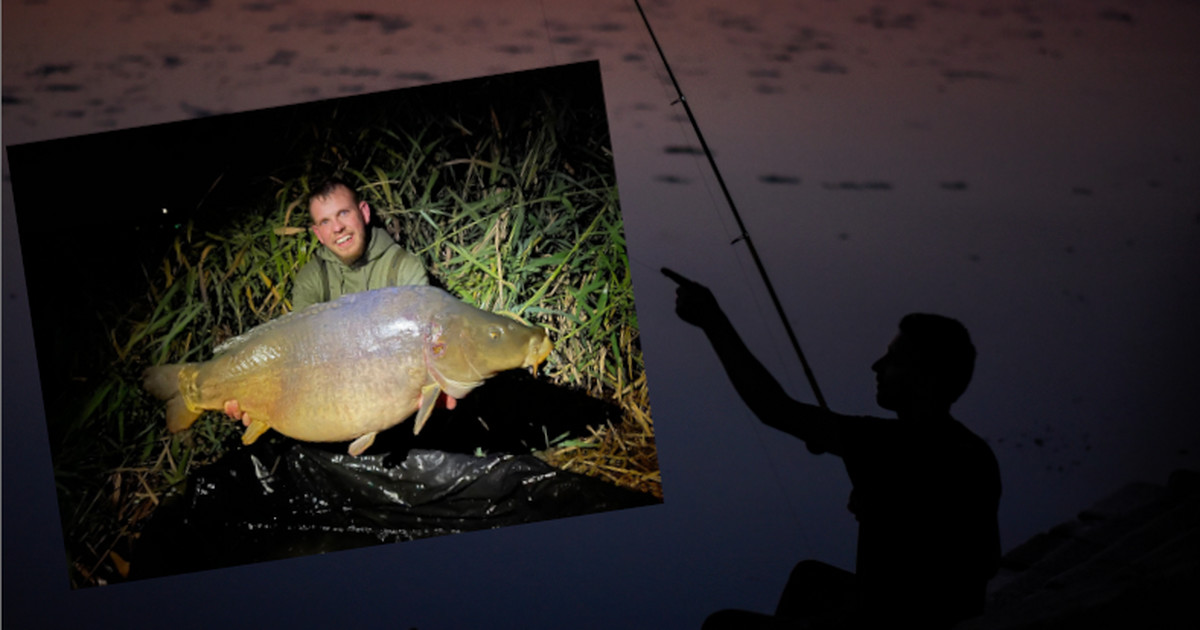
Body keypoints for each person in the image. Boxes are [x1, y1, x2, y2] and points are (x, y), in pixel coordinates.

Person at [661, 268, 1000, 630]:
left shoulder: (887, 443)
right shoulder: (972, 450)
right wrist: (884, 500)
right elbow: (975, 555)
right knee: (811, 578)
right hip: (951, 610)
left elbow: (773, 408)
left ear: (927, 377)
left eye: (894, 360)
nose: (877, 366)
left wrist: (712, 319)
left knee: (723, 625)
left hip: (899, 619)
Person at [223, 177, 430, 423]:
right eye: (325, 221)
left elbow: (420, 353)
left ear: (363, 212)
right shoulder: (311, 279)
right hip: (331, 399)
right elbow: (299, 355)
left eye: (343, 213)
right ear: (318, 233)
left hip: (392, 402)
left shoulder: (404, 268)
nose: (337, 228)